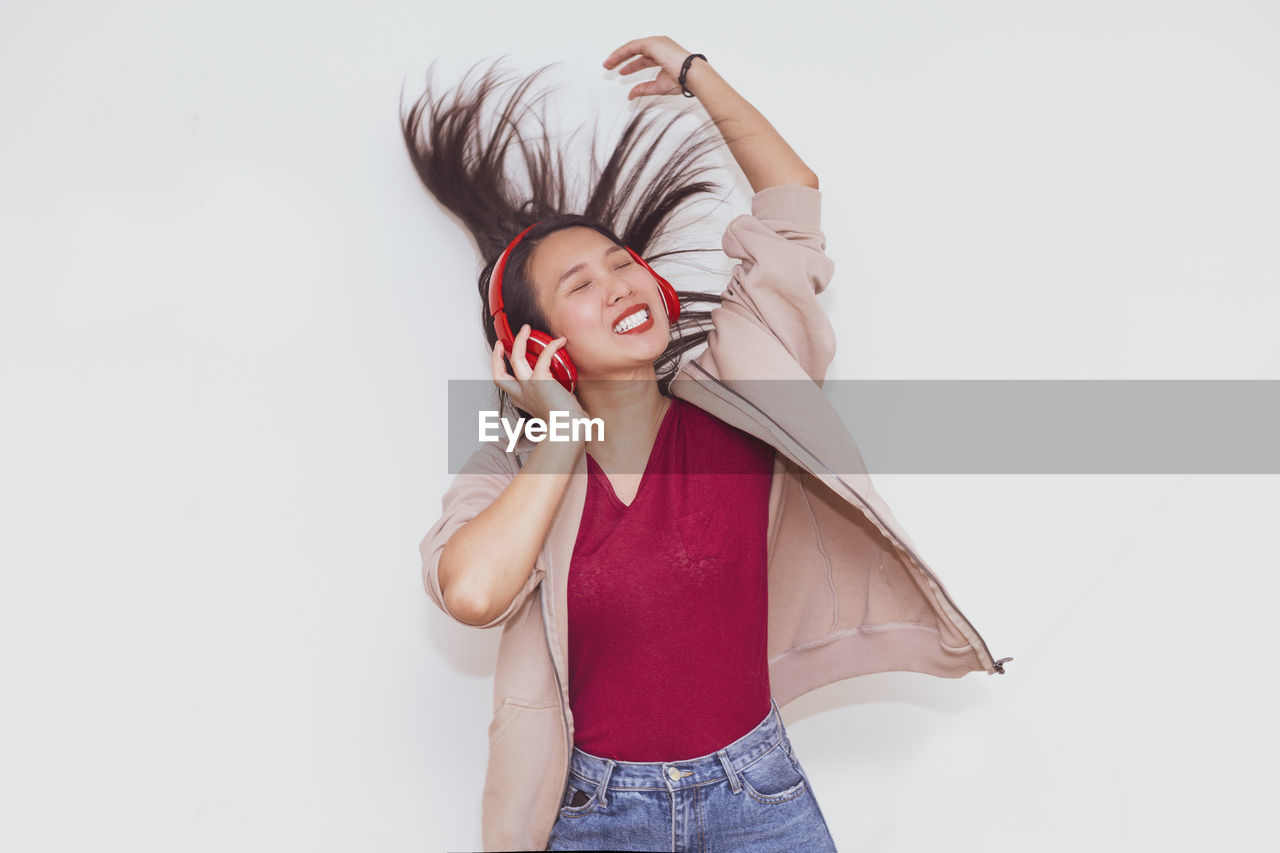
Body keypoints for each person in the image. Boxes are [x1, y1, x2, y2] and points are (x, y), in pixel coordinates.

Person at [403, 35, 1010, 852]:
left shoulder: (741, 388)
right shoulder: (510, 466)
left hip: (758, 793)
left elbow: (792, 200)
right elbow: (471, 594)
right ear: (536, 345)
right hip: (593, 813)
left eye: (622, 264)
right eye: (580, 286)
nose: (618, 283)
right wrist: (554, 437)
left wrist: (698, 77)